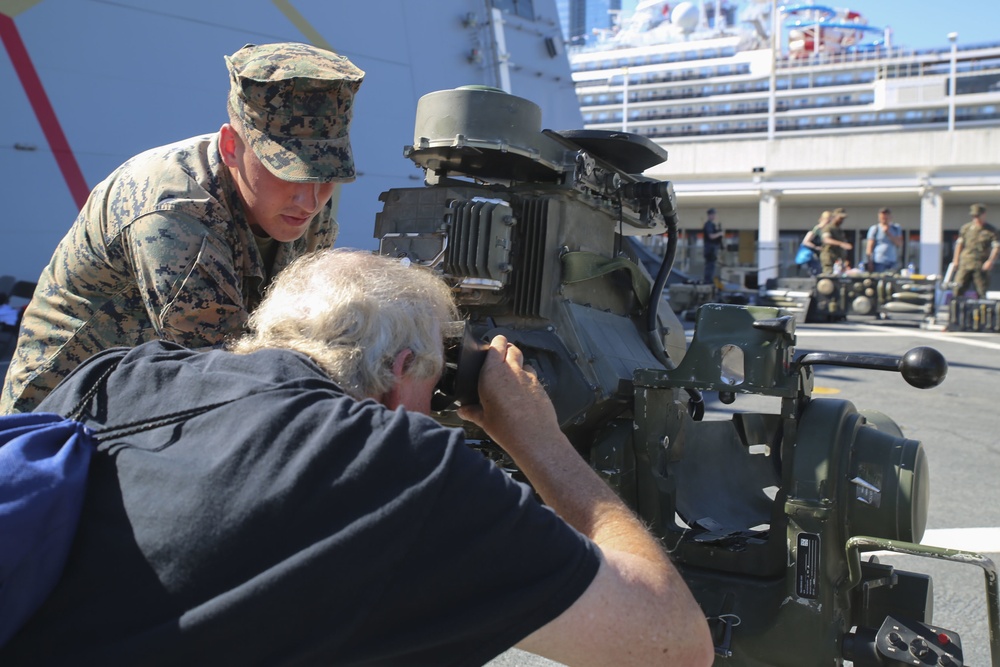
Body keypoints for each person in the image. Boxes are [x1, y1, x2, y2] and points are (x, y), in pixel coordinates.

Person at [1, 249, 714, 667]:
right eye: (437, 390)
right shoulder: (394, 463)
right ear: (404, 368)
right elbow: (674, 643)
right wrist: (534, 435)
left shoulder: (118, 377)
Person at [1, 42, 365, 415]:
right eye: (285, 170)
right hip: (60, 417)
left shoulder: (304, 201)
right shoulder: (174, 210)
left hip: (149, 402)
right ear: (230, 146)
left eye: (325, 175)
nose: (309, 201)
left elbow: (303, 333)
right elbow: (230, 375)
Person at [951, 203, 999, 299]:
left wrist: (990, 261)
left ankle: (981, 312)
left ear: (983, 214)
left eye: (978, 216)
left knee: (981, 291)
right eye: (974, 216)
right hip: (965, 263)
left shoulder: (991, 230)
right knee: (957, 288)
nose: (976, 218)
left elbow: (996, 247)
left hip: (981, 265)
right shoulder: (966, 228)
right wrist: (955, 261)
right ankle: (956, 312)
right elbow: (959, 244)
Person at [865, 207, 903, 273]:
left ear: (890, 217)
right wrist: (869, 262)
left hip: (892, 261)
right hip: (878, 262)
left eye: (886, 218)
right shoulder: (874, 229)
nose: (884, 220)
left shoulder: (896, 228)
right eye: (882, 218)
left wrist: (888, 233)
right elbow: (869, 246)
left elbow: (899, 243)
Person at [796, 210, 830, 276]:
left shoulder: (824, 231)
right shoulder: (816, 229)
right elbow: (805, 242)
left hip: (815, 256)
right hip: (810, 257)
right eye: (827, 221)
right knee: (815, 271)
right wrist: (816, 247)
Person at [820, 207, 852, 275]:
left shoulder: (839, 230)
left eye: (843, 219)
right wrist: (841, 244)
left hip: (837, 259)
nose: (842, 220)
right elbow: (826, 240)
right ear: (835, 216)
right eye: (840, 218)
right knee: (829, 277)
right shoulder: (829, 227)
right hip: (829, 257)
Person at [702, 208, 724, 283]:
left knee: (711, 266)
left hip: (713, 249)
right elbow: (711, 236)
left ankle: (709, 280)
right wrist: (719, 234)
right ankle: (707, 281)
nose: (714, 216)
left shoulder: (712, 225)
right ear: (709, 215)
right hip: (710, 249)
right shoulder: (708, 225)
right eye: (712, 214)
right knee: (710, 266)